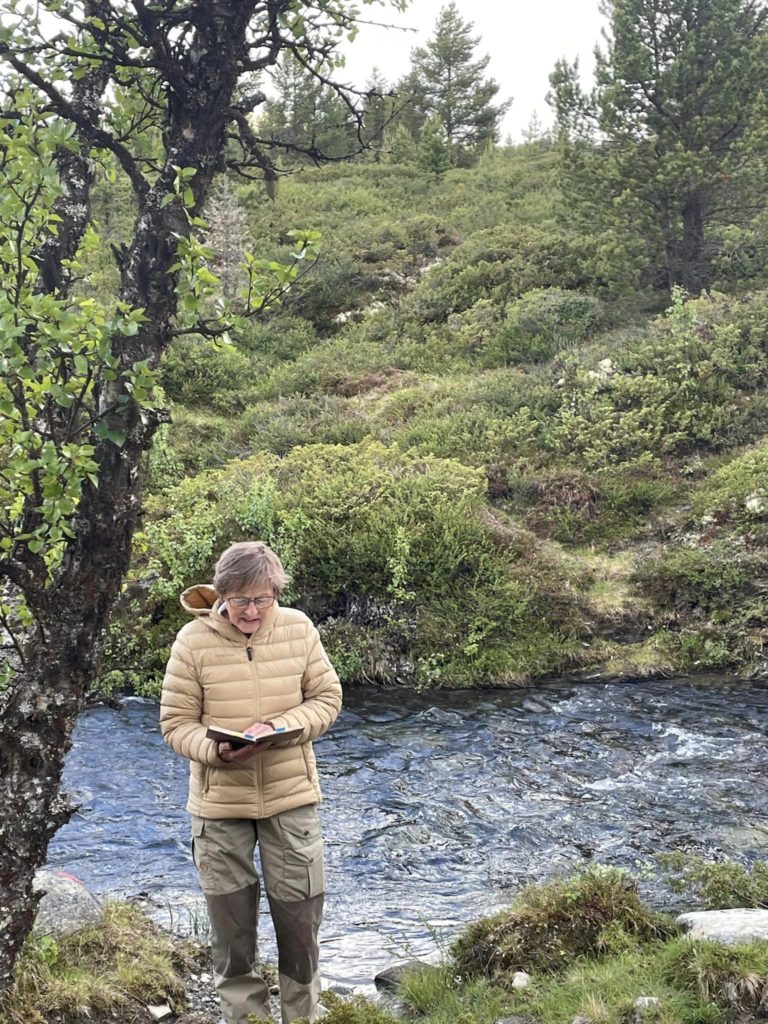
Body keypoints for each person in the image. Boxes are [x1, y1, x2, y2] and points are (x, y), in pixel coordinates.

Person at [160, 540, 342, 1024]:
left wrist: (285, 726)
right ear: (221, 593)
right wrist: (216, 751)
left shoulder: (298, 628)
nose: (252, 611)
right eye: (241, 600)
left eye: (263, 599)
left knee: (300, 930)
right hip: (219, 808)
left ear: (275, 593)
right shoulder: (191, 642)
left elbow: (327, 698)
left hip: (291, 798)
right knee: (232, 936)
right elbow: (175, 724)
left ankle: (301, 1019)